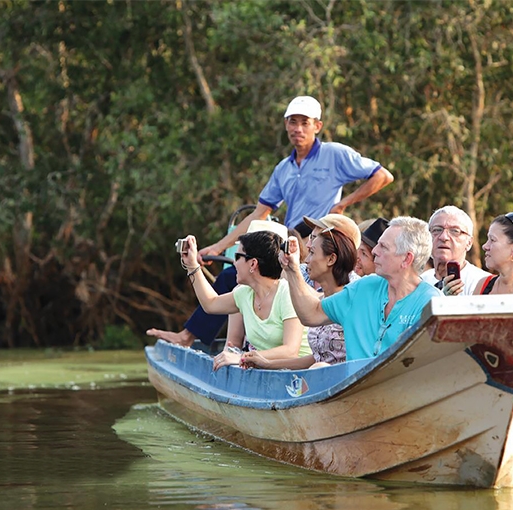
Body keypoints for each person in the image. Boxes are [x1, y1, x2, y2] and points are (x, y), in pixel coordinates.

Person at [147, 95, 394, 347]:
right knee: (234, 276)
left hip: (319, 239)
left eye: (304, 122)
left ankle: (255, 347)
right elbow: (258, 213)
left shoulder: (334, 154)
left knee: (290, 290)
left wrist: (343, 204)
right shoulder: (284, 168)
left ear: (317, 126)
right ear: (286, 124)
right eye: (292, 122)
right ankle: (225, 343)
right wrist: (219, 247)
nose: (297, 128)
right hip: (289, 239)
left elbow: (382, 176)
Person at [281, 216, 440, 362]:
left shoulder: (432, 303)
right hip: (354, 390)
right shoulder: (364, 287)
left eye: (383, 247)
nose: (375, 251)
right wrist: (292, 270)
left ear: (406, 259)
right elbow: (311, 314)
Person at [174, 230, 312, 371]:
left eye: (237, 256)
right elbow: (210, 304)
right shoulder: (244, 293)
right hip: (269, 373)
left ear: (253, 264)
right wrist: (191, 265)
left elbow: (290, 351)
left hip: (300, 375)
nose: (234, 263)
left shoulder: (287, 294)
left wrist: (243, 357)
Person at [241, 215, 360, 370]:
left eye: (313, 247)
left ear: (332, 257)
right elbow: (317, 356)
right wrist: (266, 363)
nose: (307, 258)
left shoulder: (355, 293)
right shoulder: (322, 293)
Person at [421, 206, 491, 296]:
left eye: (455, 231)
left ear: (469, 242)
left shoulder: (481, 283)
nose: (444, 237)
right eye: (437, 230)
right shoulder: (420, 282)